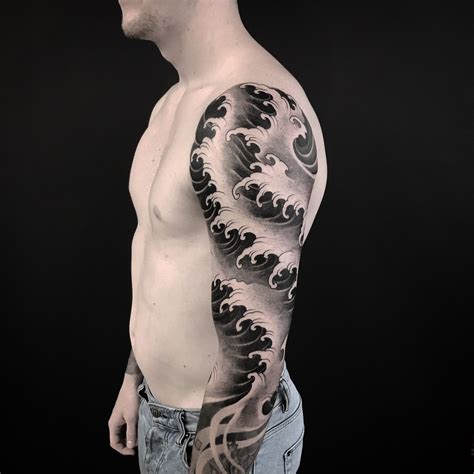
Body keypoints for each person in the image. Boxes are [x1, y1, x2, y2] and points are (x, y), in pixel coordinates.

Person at [108, 0, 327, 472]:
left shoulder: (252, 112)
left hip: (218, 437)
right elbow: (163, 259)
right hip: (159, 414)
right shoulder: (174, 102)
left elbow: (255, 353)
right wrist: (136, 380)